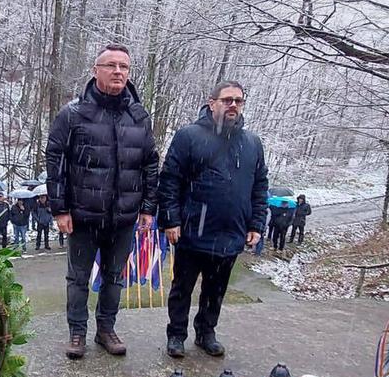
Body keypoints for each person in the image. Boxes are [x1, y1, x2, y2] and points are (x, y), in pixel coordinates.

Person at [45, 43, 159, 359]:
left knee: (114, 277)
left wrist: (149, 207)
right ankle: (77, 333)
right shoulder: (73, 114)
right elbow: (55, 161)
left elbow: (150, 162)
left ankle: (106, 330)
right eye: (110, 65)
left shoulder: (139, 116)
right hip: (83, 216)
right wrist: (60, 208)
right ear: (96, 70)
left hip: (124, 217)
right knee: (78, 279)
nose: (118, 71)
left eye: (124, 66)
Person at [158, 81, 267, 358]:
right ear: (212, 102)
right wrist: (171, 219)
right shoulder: (189, 136)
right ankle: (176, 335)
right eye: (227, 100)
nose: (233, 105)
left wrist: (256, 224)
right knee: (182, 288)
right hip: (192, 230)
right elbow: (170, 180)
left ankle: (206, 332)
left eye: (238, 101)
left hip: (231, 232)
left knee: (216, 289)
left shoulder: (252, 143)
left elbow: (260, 185)